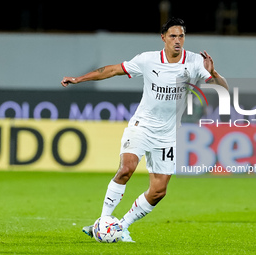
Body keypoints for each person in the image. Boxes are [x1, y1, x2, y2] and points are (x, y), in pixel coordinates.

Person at [61, 17, 228, 242]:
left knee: (159, 191)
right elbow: (112, 70)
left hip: (167, 134)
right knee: (126, 169)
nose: (177, 41)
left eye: (181, 36)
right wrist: (79, 79)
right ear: (163, 38)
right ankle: (102, 222)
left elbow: (224, 91)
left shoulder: (196, 62)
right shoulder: (148, 60)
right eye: (173, 36)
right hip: (142, 127)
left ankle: (122, 225)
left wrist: (214, 74)